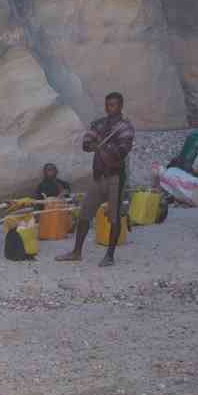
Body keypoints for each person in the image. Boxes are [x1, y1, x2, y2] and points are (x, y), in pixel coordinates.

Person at [57, 92, 134, 268]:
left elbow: (121, 152)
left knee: (114, 217)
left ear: (120, 106)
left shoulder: (126, 127)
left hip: (115, 177)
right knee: (84, 214)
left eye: (113, 105)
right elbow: (86, 144)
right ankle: (76, 252)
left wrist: (100, 145)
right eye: (107, 105)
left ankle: (110, 255)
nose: (109, 108)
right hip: (99, 176)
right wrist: (102, 145)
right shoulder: (100, 123)